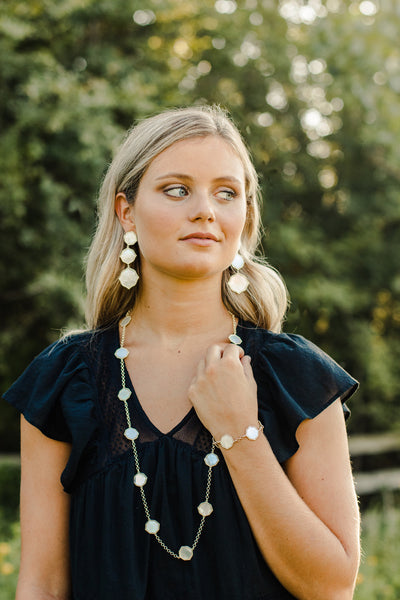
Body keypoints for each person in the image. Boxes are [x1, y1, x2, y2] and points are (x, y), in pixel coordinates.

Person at [3, 105, 360, 600]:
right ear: (126, 211)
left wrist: (240, 430)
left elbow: (332, 585)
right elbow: (40, 584)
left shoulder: (296, 376)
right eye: (177, 189)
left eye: (226, 193)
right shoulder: (65, 379)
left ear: (244, 217)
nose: (205, 210)